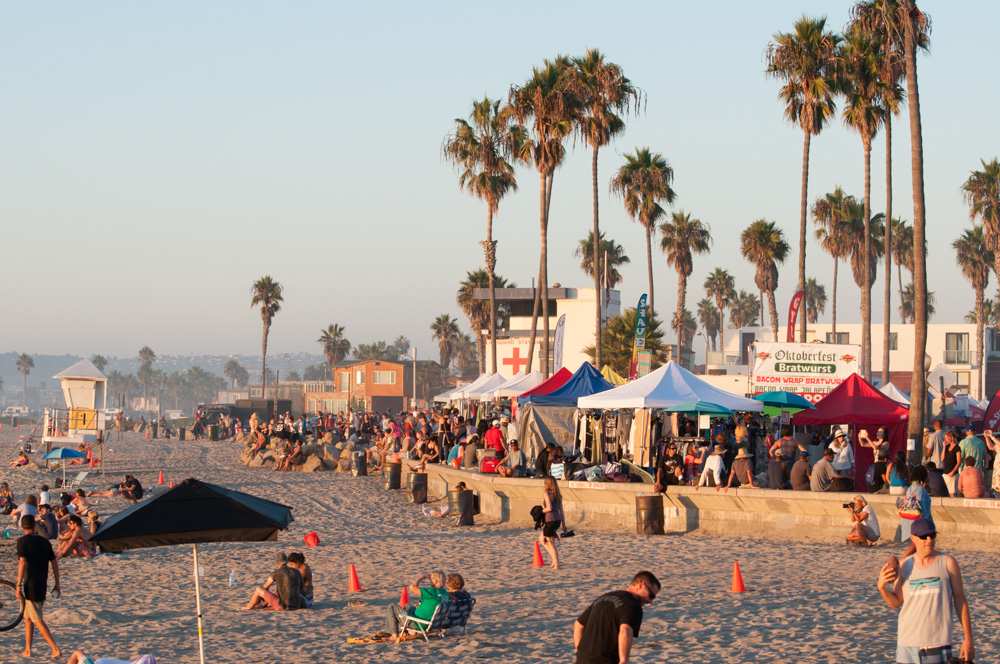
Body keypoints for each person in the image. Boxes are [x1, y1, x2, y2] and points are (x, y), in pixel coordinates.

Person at [877, 518, 974, 663]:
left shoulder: (947, 562)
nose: (929, 540)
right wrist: (882, 588)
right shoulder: (904, 565)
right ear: (913, 538)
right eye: (923, 536)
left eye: (932, 535)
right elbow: (896, 603)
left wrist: (968, 639)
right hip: (907, 644)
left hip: (936, 643)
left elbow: (960, 600)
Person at [573, 571, 660, 664]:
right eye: (651, 596)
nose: (650, 602)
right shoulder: (633, 605)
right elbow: (625, 630)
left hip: (582, 659)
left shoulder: (604, 597)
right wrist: (624, 660)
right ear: (641, 585)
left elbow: (578, 625)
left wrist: (581, 651)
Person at [16, 514, 61, 659]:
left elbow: (22, 563)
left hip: (30, 585)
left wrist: (17, 585)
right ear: (34, 526)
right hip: (42, 583)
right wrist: (57, 583)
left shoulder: (22, 542)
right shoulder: (44, 542)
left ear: (22, 527)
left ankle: (55, 649)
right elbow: (54, 562)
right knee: (28, 618)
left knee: (36, 619)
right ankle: (28, 650)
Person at [384, 571, 449, 636]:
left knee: (392, 607)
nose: (430, 580)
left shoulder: (431, 592)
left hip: (418, 624)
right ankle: (407, 631)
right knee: (409, 607)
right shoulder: (445, 593)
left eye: (431, 579)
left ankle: (393, 634)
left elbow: (412, 587)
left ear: (435, 581)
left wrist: (422, 577)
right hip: (434, 625)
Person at [539, 477, 563, 570]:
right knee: (542, 539)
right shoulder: (558, 495)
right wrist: (564, 525)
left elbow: (549, 508)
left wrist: (541, 511)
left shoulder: (546, 493)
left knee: (549, 542)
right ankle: (554, 560)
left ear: (547, 484)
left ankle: (556, 563)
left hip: (551, 520)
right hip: (557, 520)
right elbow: (562, 511)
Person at [859, 428, 890, 492]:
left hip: (882, 464)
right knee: (873, 479)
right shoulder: (876, 442)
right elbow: (863, 444)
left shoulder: (886, 443)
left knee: (877, 480)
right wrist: (860, 437)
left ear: (884, 434)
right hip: (876, 464)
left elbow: (875, 447)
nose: (879, 433)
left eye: (881, 432)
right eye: (878, 431)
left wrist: (867, 437)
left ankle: (883, 489)